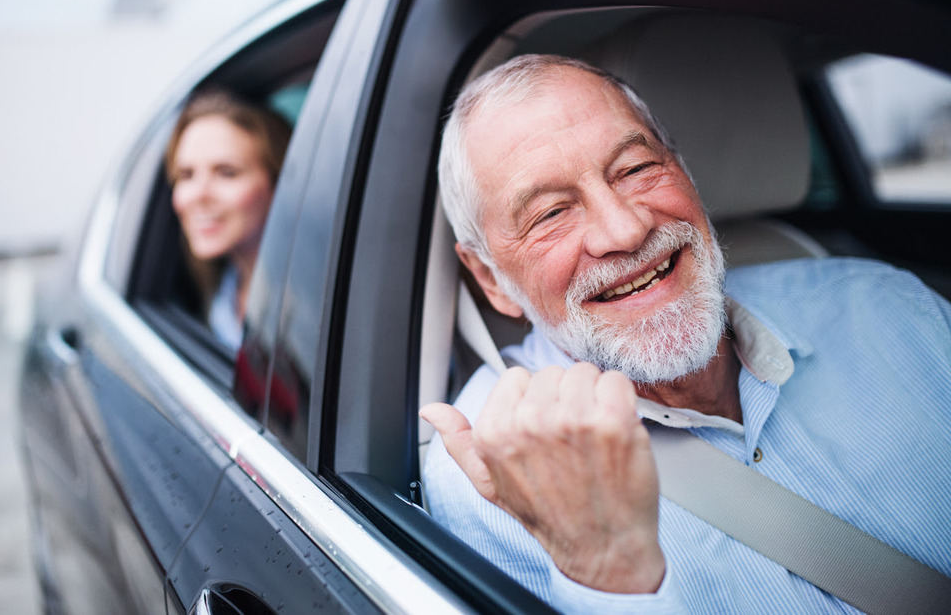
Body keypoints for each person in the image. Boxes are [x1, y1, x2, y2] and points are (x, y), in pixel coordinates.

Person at [420, 54, 951, 612]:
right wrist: (604, 574)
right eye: (551, 213)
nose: (624, 230)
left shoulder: (885, 306)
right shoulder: (490, 475)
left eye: (634, 169)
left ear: (685, 171)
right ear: (489, 280)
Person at [165, 89, 291, 350]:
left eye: (227, 172)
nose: (198, 195)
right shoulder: (221, 288)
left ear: (279, 184)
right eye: (186, 175)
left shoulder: (317, 303)